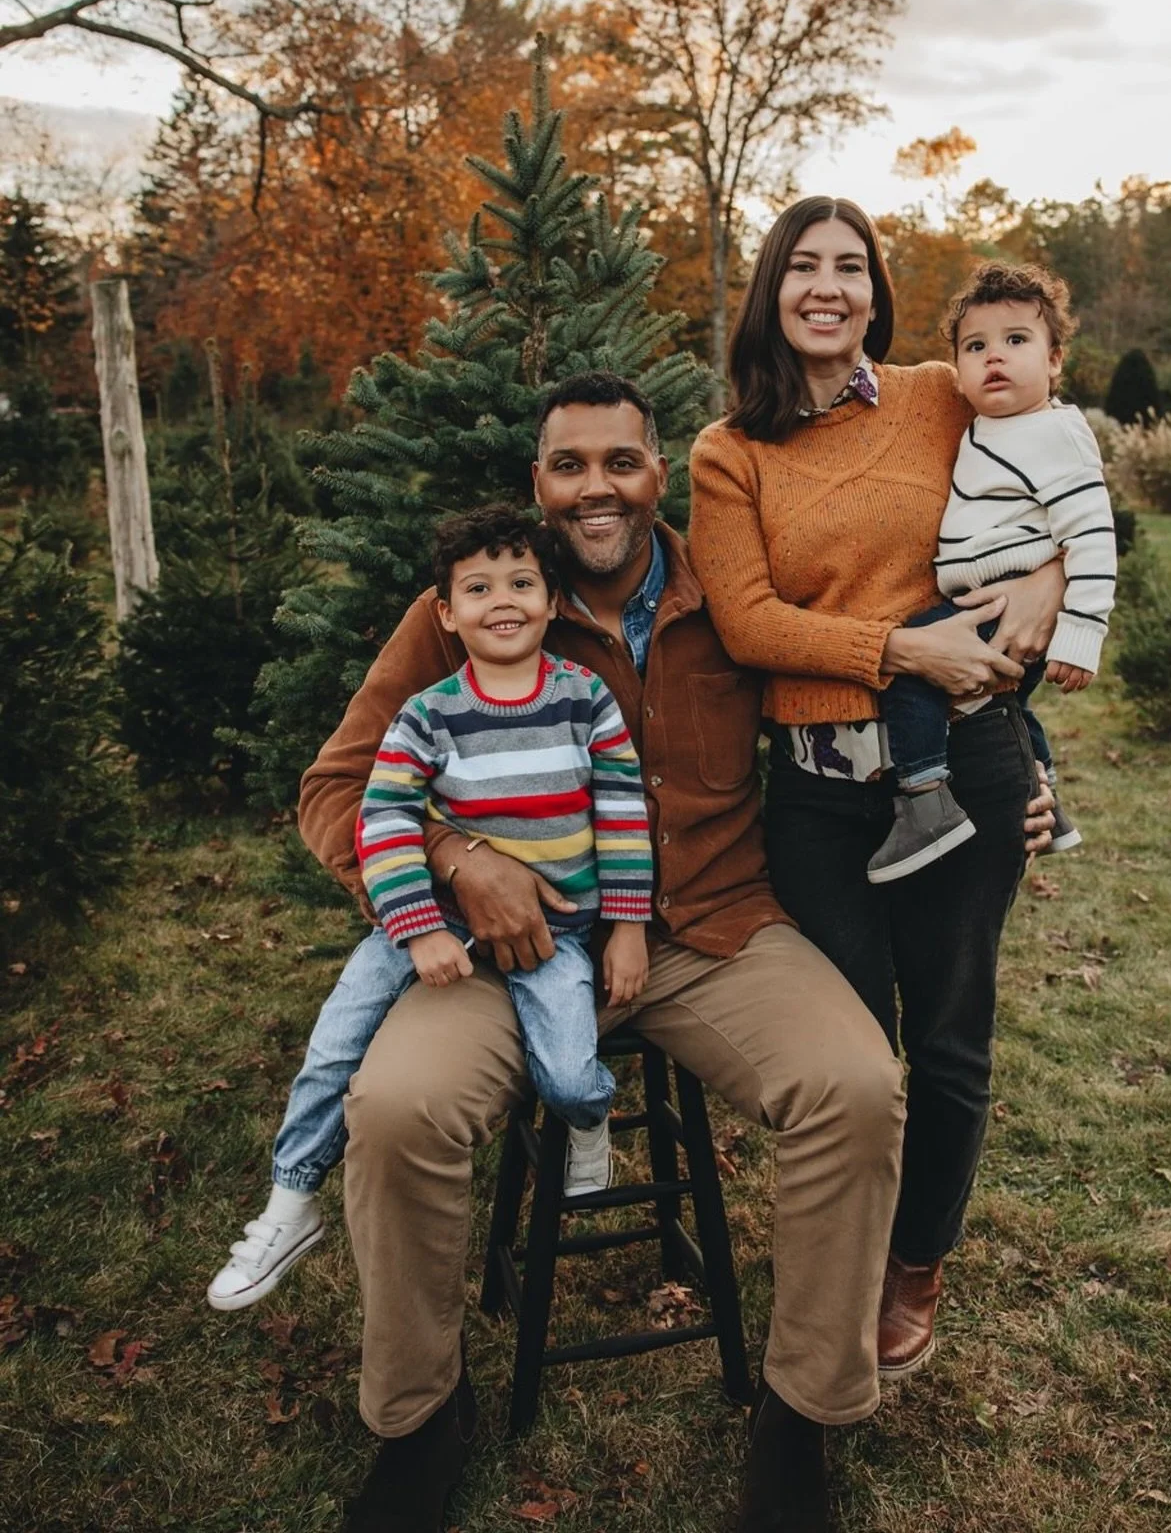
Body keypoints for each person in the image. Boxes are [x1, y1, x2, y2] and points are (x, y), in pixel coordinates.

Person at [294, 371, 913, 1533]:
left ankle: (800, 1421)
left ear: (658, 473)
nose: (597, 488)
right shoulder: (473, 605)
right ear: (538, 481)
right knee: (396, 1108)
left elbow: (860, 687)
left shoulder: (729, 590)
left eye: (620, 462)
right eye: (569, 465)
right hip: (518, 948)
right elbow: (337, 788)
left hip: (713, 929)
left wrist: (1006, 773)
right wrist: (454, 862)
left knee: (857, 1086)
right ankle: (420, 1418)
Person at [688, 198, 1063, 1386]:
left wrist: (1053, 579)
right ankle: (843, 1252)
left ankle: (915, 1262)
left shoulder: (940, 396)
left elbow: (1057, 477)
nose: (829, 287)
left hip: (968, 767)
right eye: (804, 266)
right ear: (772, 290)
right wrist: (900, 650)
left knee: (949, 1038)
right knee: (851, 1050)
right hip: (817, 797)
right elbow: (748, 624)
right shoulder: (729, 452)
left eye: (851, 267)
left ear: (876, 293)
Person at [206, 510, 653, 1318]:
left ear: (553, 601)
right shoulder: (427, 714)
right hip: (431, 920)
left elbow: (623, 814)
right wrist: (419, 929)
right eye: (478, 589)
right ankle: (290, 1202)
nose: (502, 601)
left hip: (557, 933)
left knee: (567, 1070)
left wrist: (626, 925)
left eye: (522, 583)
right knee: (335, 1047)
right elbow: (383, 820)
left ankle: (590, 1123)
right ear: (445, 613)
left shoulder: (584, 701)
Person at [866, 259, 1116, 882]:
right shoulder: (991, 427)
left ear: (1055, 360)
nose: (994, 356)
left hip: (1000, 605)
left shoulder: (1053, 433)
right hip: (988, 599)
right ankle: (1045, 796)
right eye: (975, 347)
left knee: (914, 669)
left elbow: (1092, 535)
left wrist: (1082, 634)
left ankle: (925, 802)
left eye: (1016, 340)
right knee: (1011, 711)